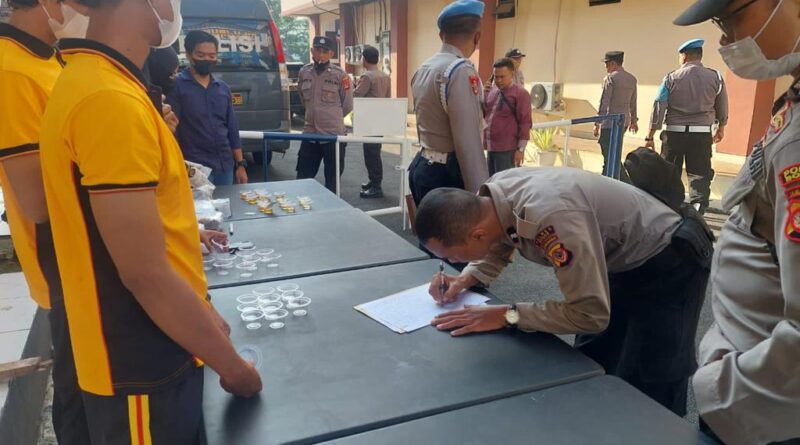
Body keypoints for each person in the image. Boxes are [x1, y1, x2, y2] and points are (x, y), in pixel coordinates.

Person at [39, 1, 262, 443]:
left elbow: (137, 227)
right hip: (140, 362)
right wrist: (234, 369)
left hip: (151, 345)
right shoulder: (109, 100)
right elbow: (145, 275)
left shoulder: (98, 80)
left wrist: (199, 307)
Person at [417, 168, 713, 416]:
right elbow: (501, 240)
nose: (452, 264)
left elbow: (589, 314)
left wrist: (507, 315)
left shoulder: (551, 219)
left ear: (475, 234)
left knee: (653, 375)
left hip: (669, 259)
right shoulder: (491, 200)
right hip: (616, 255)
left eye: (453, 258)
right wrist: (465, 279)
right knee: (594, 358)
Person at [674, 0, 800, 443]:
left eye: (733, 17)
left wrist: (724, 388)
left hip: (763, 405)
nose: (726, 41)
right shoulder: (793, 103)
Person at [0, 1, 90, 443]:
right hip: (62, 254)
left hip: (85, 247)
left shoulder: (52, 58)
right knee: (81, 389)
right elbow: (37, 200)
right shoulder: (10, 71)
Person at [409, 0, 489, 206]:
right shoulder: (460, 71)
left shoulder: (425, 67)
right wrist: (481, 196)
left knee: (429, 237)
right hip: (447, 177)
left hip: (423, 167)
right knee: (455, 238)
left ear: (441, 35)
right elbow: (468, 143)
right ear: (477, 36)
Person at [645, 39, 728, 215]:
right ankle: (698, 206)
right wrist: (722, 126)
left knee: (670, 171)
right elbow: (722, 105)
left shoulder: (671, 78)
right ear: (700, 55)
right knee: (699, 171)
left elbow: (659, 105)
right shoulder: (716, 77)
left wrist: (650, 135)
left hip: (674, 133)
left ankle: (669, 206)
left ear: (685, 56)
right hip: (701, 133)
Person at [167, 30, 248, 186]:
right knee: (201, 210)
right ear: (189, 55)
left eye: (212, 56)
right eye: (201, 55)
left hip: (225, 166)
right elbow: (172, 131)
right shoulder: (176, 87)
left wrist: (240, 164)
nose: (207, 60)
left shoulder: (222, 88)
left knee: (227, 208)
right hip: (196, 170)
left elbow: (232, 128)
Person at [296, 35, 353, 193]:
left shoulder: (341, 76)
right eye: (317, 50)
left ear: (331, 54)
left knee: (332, 183)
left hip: (333, 136)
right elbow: (303, 99)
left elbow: (347, 104)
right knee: (302, 180)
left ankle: (331, 216)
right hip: (310, 134)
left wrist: (329, 118)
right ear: (312, 51)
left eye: (325, 51)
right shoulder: (304, 72)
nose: (320, 54)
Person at [594, 51, 638, 183]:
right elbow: (633, 102)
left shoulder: (610, 78)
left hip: (609, 122)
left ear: (613, 63)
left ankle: (625, 182)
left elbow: (604, 102)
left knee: (608, 153)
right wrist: (634, 120)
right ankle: (608, 180)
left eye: (607, 64)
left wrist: (597, 123)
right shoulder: (631, 79)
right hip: (623, 122)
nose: (606, 67)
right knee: (614, 152)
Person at [484, 58, 532, 175]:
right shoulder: (492, 91)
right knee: (491, 182)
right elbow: (485, 113)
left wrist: (520, 150)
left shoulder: (521, 94)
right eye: (496, 77)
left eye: (502, 77)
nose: (499, 80)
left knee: (504, 184)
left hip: (507, 149)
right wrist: (483, 94)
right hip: (490, 147)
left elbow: (525, 122)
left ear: (512, 74)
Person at [354, 44, 391, 199]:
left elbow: (357, 95)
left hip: (369, 119)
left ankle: (376, 186)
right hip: (379, 117)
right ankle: (373, 181)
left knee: (371, 153)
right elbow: (388, 97)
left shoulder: (367, 77)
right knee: (374, 151)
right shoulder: (385, 76)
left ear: (364, 59)